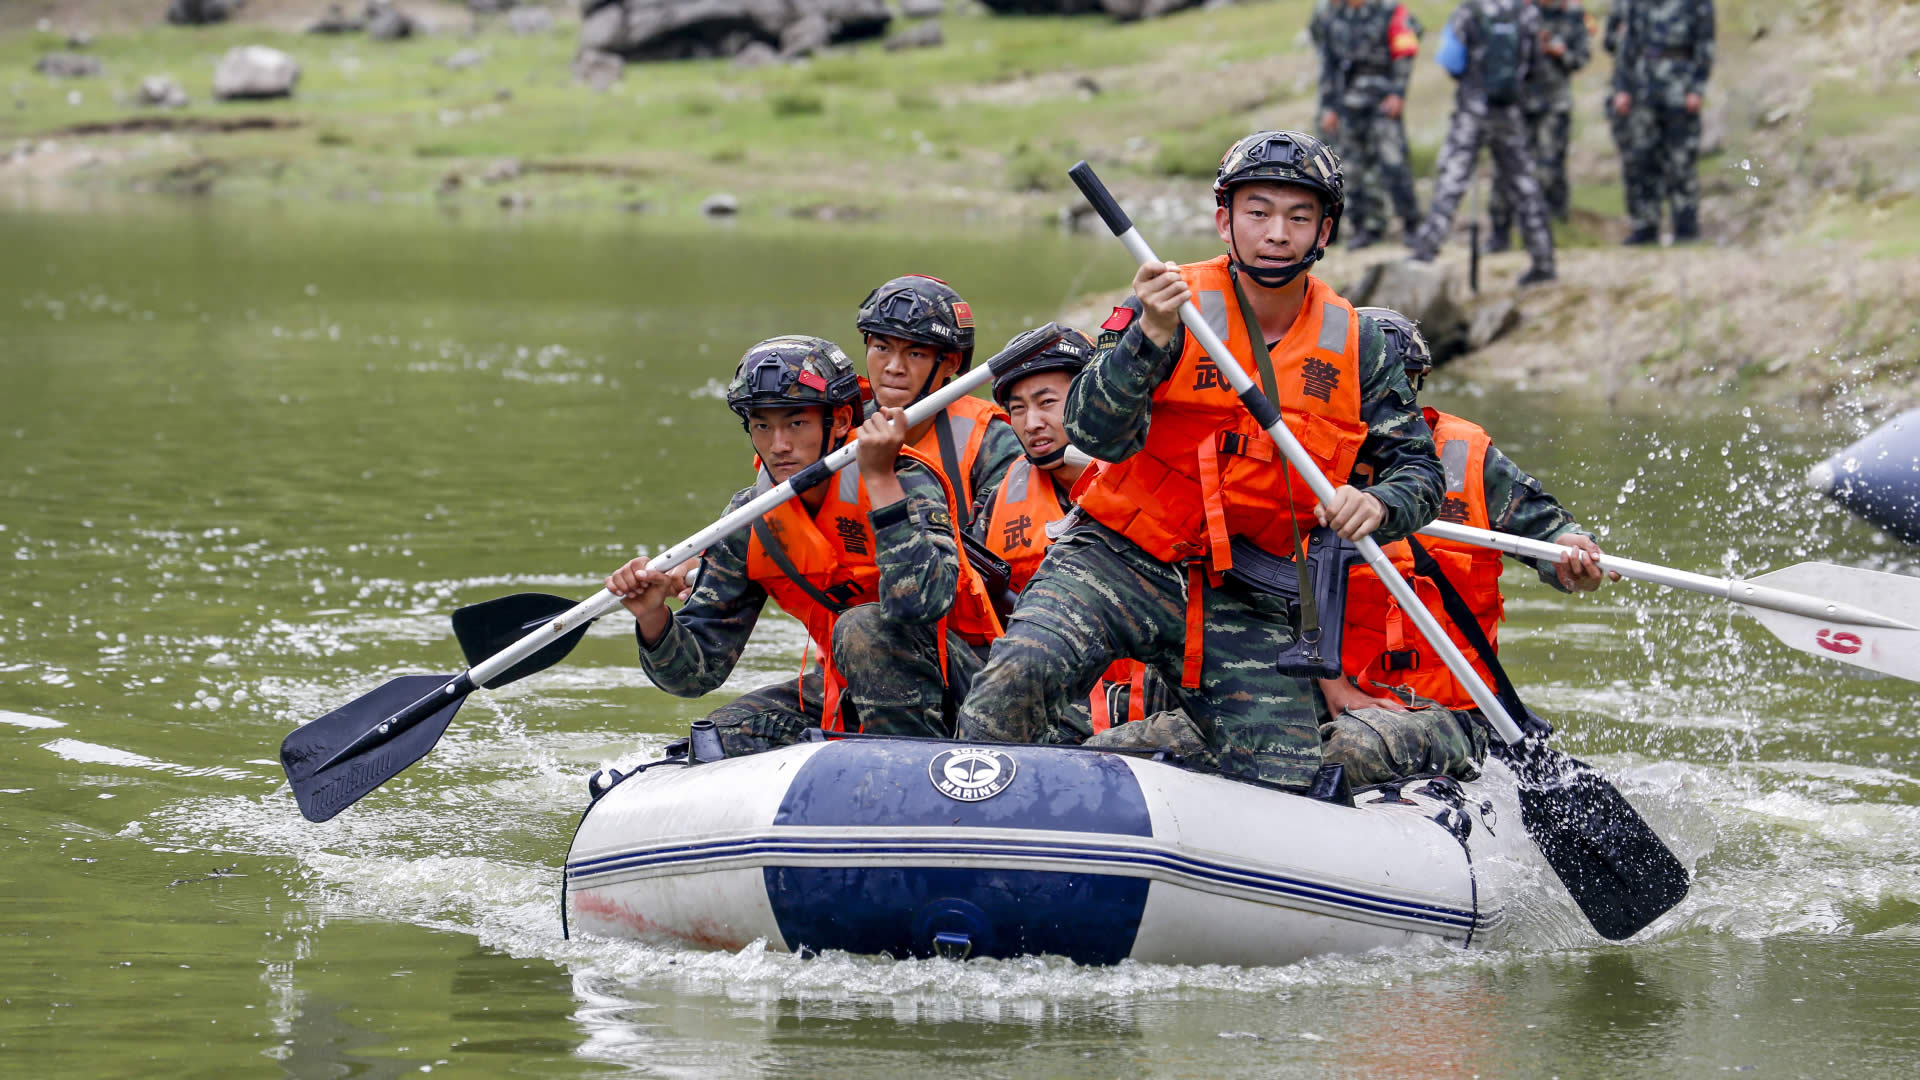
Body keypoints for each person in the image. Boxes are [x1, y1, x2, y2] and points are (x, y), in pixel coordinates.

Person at [956, 130, 1445, 790]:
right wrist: (1147, 339)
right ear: (1225, 220)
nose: (1277, 233)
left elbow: (1421, 474)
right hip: (1118, 556)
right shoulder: (1165, 303)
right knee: (1010, 688)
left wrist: (1379, 502)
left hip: (1247, 593)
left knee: (1285, 781)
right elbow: (1093, 430)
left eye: (1299, 217)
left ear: (1324, 230)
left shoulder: (1359, 344)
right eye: (1259, 213)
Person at [606, 336, 1002, 755]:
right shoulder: (751, 516)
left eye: (796, 423)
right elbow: (694, 676)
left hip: (962, 686)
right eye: (762, 425)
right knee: (715, 739)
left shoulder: (902, 477)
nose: (779, 445)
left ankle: (906, 770)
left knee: (862, 627)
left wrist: (880, 480)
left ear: (841, 418)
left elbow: (921, 603)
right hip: (851, 687)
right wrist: (653, 618)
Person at [1317, 307, 1620, 785]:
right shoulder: (1302, 457)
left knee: (1353, 747)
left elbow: (1547, 533)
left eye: (1403, 386)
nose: (1384, 403)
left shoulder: (1467, 456)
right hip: (1332, 697)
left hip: (1453, 713)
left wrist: (1571, 553)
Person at [970, 327, 1171, 739]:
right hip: (1056, 694)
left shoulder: (1161, 475)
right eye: (1018, 409)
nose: (1033, 423)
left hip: (1157, 695)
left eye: (1047, 403)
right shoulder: (999, 499)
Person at [1410, 0, 1558, 286]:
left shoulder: (1469, 11)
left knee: (1452, 179)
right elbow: (1537, 66)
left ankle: (1427, 249)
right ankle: (1543, 259)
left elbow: (1452, 62)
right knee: (1524, 184)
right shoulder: (1526, 13)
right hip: (1510, 112)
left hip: (1472, 111)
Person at [856, 275, 1023, 526]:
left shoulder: (990, 440)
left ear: (951, 363)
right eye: (882, 348)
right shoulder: (839, 426)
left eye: (915, 353)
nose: (893, 367)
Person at [1310, 0, 1425, 246]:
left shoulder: (1390, 10)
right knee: (1352, 167)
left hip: (1382, 99)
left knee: (1394, 161)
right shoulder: (1332, 15)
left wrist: (1398, 93)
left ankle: (1412, 224)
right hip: (1347, 102)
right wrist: (1329, 106)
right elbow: (1328, 63)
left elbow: (1405, 51)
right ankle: (1366, 226)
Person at [1609, 0, 1715, 243]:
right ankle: (1645, 226)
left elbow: (1705, 44)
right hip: (1643, 86)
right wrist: (1622, 88)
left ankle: (1685, 227)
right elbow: (1628, 45)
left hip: (1680, 86)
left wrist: (1697, 88)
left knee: (1681, 160)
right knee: (1643, 158)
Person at [1488, 0, 1591, 248]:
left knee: (1550, 168)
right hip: (1517, 102)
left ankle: (1552, 230)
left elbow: (1581, 57)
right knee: (1505, 167)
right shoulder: (1513, 12)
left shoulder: (1572, 13)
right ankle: (1500, 233)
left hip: (1553, 105)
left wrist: (1559, 51)